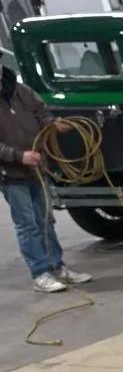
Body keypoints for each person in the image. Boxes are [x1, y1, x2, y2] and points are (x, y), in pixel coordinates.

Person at [0, 62, 91, 294]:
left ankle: (56, 267)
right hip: (11, 175)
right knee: (27, 224)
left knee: (45, 220)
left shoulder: (21, 91)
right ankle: (40, 273)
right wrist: (19, 156)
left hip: (38, 169)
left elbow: (41, 112)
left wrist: (52, 124)